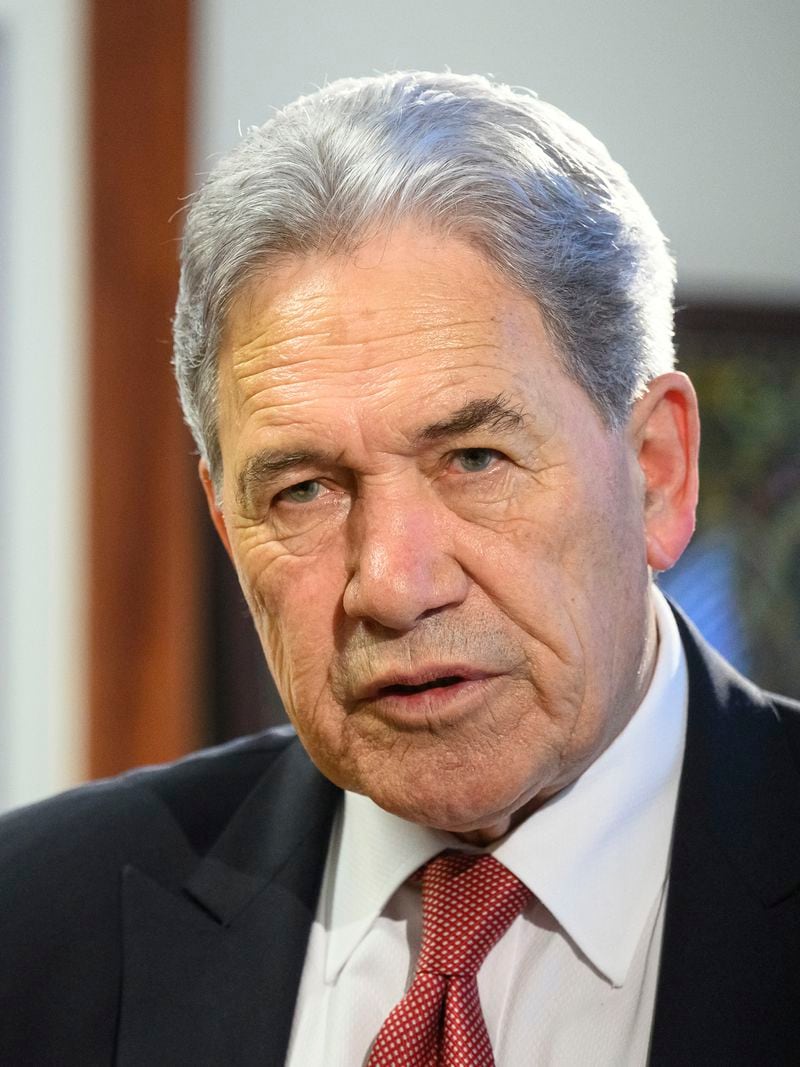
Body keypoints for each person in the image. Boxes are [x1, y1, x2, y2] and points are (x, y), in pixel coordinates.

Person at [1, 71, 798, 1066]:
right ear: (224, 515)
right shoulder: (29, 922)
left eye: (473, 459)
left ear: (655, 470)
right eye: (301, 489)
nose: (389, 581)